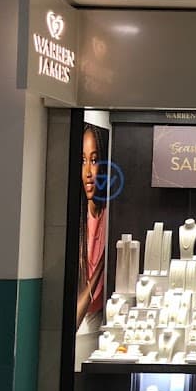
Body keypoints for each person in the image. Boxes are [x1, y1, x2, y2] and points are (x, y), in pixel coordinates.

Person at [76, 124, 108, 333]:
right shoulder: (77, 221)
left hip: (103, 320)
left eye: (94, 161)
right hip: (82, 324)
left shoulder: (111, 217)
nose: (88, 172)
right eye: (83, 161)